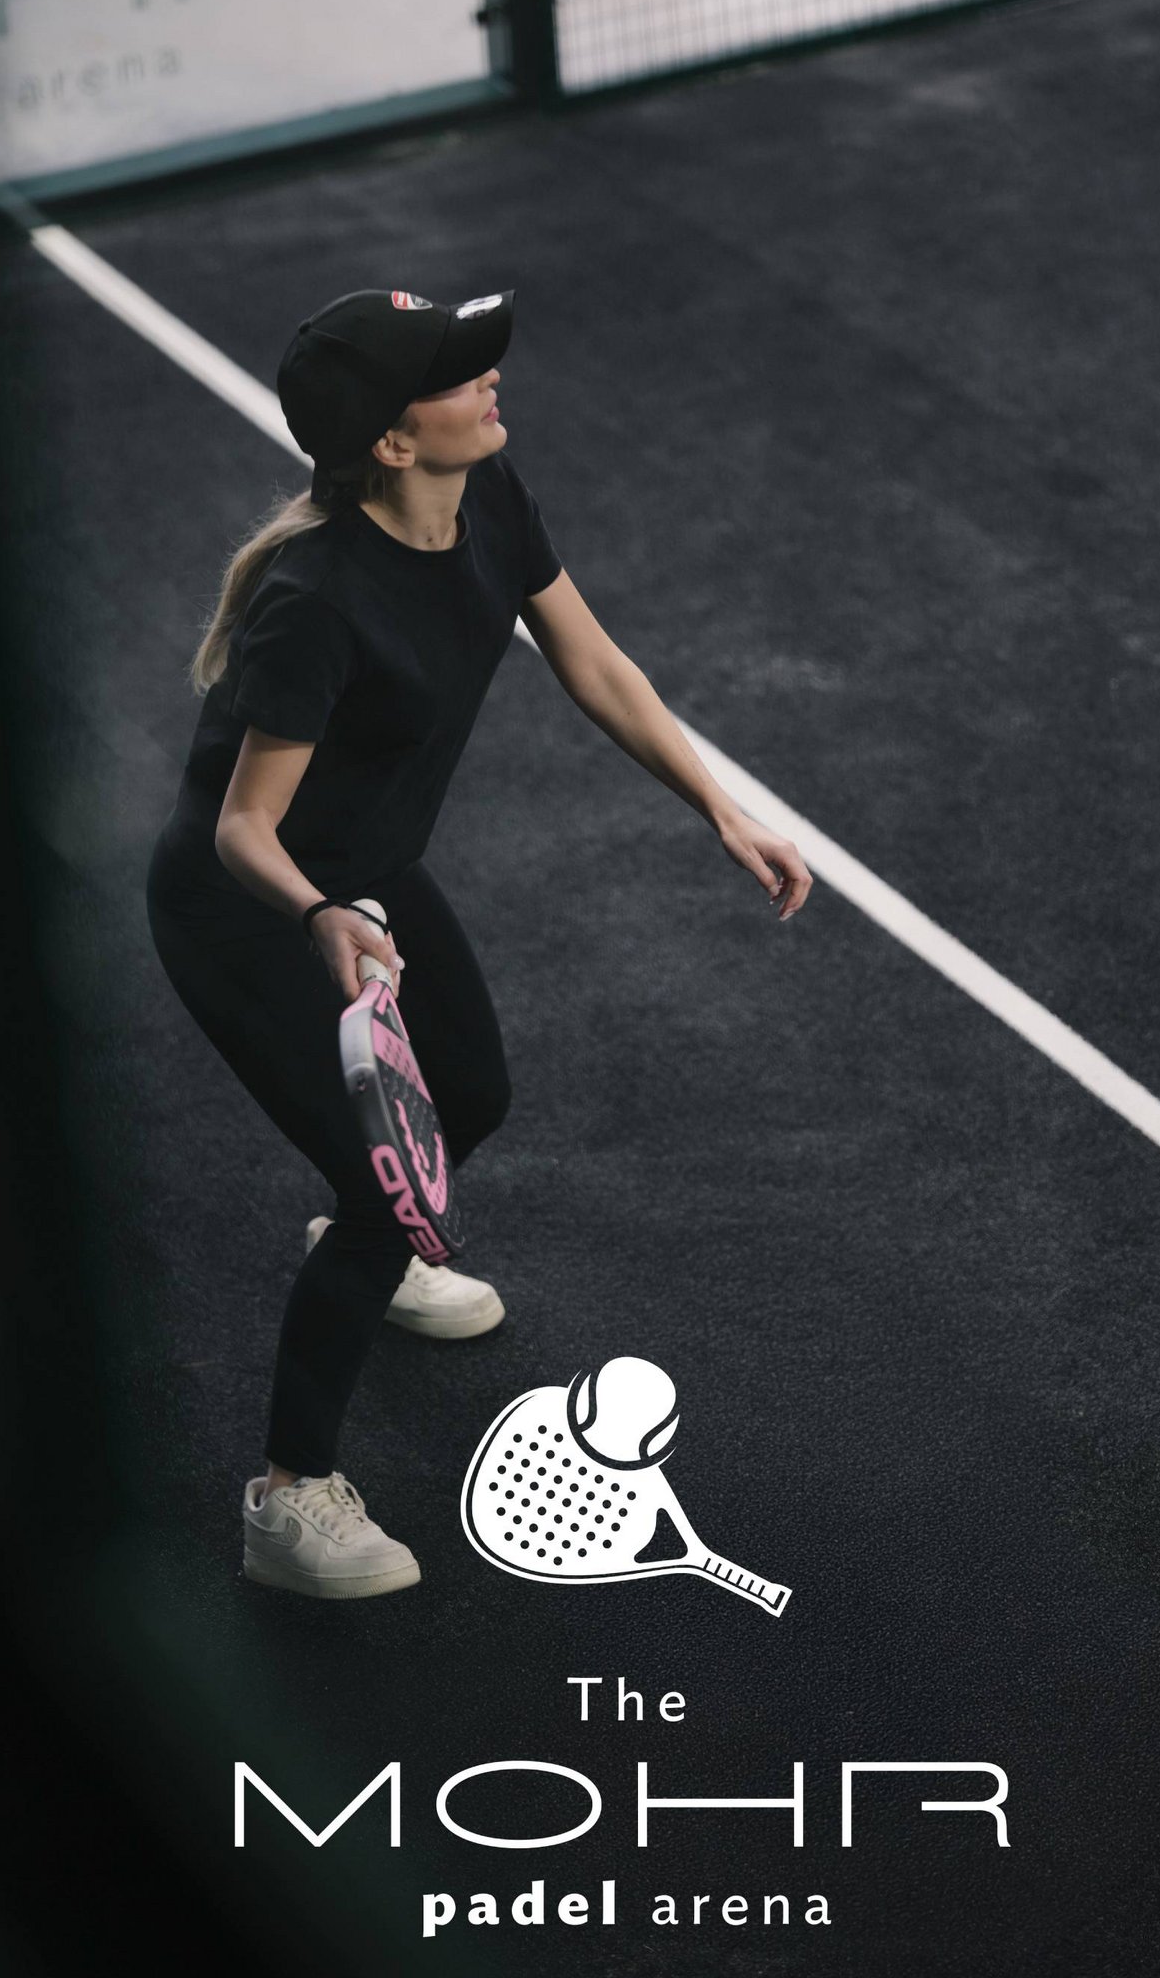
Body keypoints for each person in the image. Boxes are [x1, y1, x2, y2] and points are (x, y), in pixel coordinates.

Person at [146, 285, 812, 1600]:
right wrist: (324, 917)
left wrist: (720, 806)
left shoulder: (490, 498)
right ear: (392, 442)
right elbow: (242, 829)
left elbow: (594, 662)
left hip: (370, 876)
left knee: (476, 1100)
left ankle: (371, 1225)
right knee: (387, 1188)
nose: (492, 384)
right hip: (256, 911)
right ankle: (287, 1501)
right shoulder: (316, 600)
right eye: (459, 377)